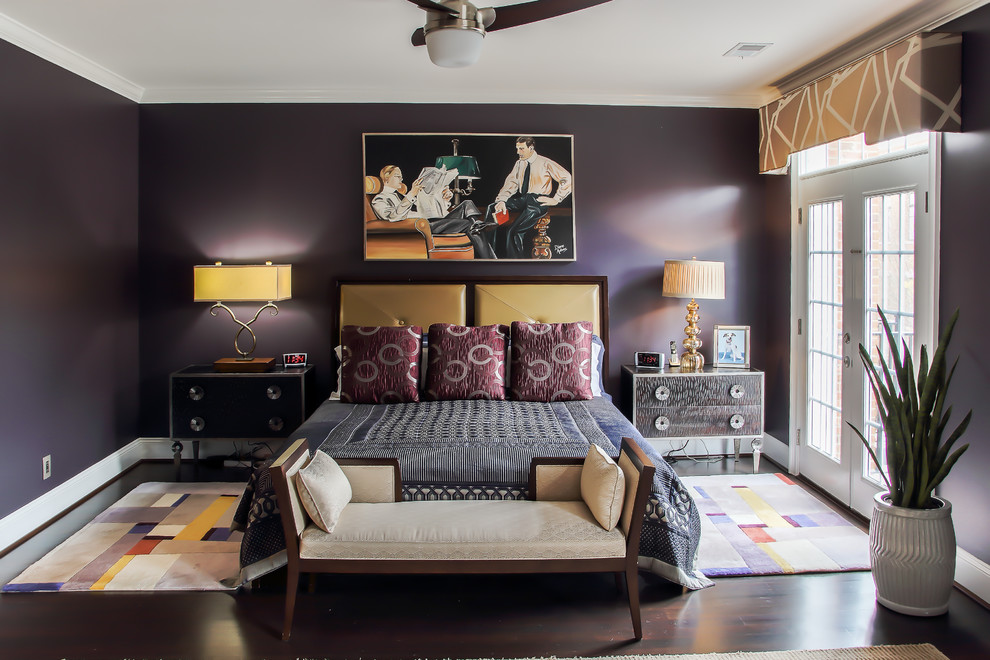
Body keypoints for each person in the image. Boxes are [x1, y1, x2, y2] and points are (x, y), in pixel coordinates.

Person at [371, 165, 496, 259]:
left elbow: (426, 208)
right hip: (421, 226)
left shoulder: (400, 195)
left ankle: (477, 225)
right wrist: (411, 195)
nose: (401, 178)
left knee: (467, 204)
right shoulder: (379, 199)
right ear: (386, 178)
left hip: (431, 220)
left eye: (401, 175)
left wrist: (444, 200)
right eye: (397, 175)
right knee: (468, 225)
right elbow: (392, 217)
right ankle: (490, 260)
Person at [484, 137, 572, 259]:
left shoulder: (545, 162)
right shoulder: (519, 163)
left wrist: (556, 199)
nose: (518, 152)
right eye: (517, 148)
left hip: (538, 201)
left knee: (513, 232)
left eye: (521, 149)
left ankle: (515, 264)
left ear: (530, 148)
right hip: (523, 198)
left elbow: (567, 177)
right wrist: (502, 201)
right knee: (492, 208)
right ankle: (487, 256)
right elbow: (511, 183)